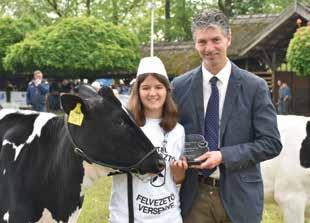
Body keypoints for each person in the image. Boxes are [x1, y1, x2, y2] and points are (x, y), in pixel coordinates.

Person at [171, 9, 282, 223]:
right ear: (195, 43)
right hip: (195, 197)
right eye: (202, 42)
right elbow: (169, 133)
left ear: (228, 39)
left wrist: (223, 155)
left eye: (216, 40)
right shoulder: (179, 86)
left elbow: (271, 143)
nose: (209, 48)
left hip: (241, 196)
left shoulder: (255, 87)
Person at [109, 56, 187, 223]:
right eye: (146, 88)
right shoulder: (125, 127)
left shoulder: (178, 131)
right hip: (128, 217)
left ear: (167, 90)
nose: (152, 93)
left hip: (169, 217)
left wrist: (180, 174)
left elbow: (177, 180)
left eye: (158, 87)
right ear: (138, 91)